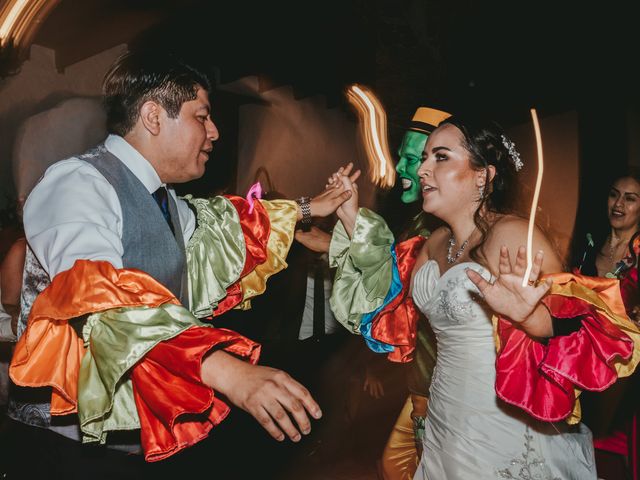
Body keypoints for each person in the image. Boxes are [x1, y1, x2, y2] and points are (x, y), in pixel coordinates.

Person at [3, 50, 353, 479]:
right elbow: (99, 296)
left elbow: (230, 229)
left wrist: (307, 208)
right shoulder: (77, 182)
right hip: (65, 447)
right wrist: (228, 370)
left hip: (136, 441)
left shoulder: (168, 201)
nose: (215, 132)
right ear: (153, 116)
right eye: (201, 116)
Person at [327, 115, 640, 479]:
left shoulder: (511, 235)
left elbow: (575, 327)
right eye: (424, 157)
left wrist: (533, 319)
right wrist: (352, 220)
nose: (423, 169)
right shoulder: (435, 242)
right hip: (443, 412)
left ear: (483, 175)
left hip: (497, 421)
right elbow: (388, 299)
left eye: (440, 157)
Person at [380, 106, 449, 480]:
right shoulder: (421, 221)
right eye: (405, 157)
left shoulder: (449, 232)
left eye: (416, 157)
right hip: (422, 382)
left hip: (442, 387)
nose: (405, 169)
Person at [573, 173, 640, 479]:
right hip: (577, 363)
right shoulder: (586, 246)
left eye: (630, 198)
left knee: (608, 460)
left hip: (622, 374)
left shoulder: (638, 260)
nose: (619, 204)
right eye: (614, 195)